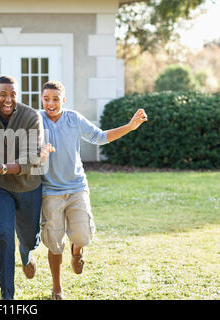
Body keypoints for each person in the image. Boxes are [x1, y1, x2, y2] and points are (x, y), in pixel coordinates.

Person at [39, 81, 148, 300]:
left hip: (77, 186)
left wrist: (129, 126)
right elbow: (23, 146)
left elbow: (99, 137)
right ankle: (57, 288)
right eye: (46, 99)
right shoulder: (36, 120)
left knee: (82, 236)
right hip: (49, 190)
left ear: (63, 100)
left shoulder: (73, 118)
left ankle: (77, 250)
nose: (50, 103)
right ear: (42, 99)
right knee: (54, 241)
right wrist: (37, 151)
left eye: (55, 99)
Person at [0, 75, 52, 300]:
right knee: (2, 235)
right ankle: (7, 295)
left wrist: (1, 167)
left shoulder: (30, 116)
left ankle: (26, 251)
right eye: (3, 94)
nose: (8, 99)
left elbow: (33, 158)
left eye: (13, 94)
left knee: (30, 238)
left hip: (28, 185)